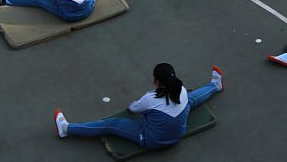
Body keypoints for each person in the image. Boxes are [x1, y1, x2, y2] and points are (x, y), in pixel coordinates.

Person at [55, 64, 224, 149]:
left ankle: (66, 128)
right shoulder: (180, 89)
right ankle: (215, 86)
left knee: (111, 124)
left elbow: (133, 109)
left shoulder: (150, 98)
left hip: (153, 139)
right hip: (179, 131)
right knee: (190, 101)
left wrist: (139, 105)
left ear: (157, 81)